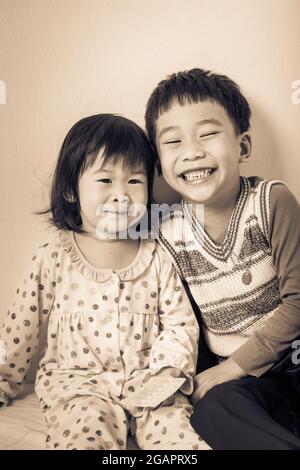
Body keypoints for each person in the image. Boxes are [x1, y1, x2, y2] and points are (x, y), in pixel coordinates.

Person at [0, 113, 208, 450]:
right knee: (86, 431)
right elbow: (19, 329)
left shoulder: (157, 256)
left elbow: (180, 325)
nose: (122, 195)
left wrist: (169, 370)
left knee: (180, 439)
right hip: (79, 387)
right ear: (70, 190)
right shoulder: (54, 257)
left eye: (135, 181)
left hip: (150, 384)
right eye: (105, 181)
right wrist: (3, 380)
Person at [145, 68, 300, 449]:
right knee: (211, 410)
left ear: (243, 146)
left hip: (292, 359)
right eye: (173, 141)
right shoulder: (168, 232)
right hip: (243, 385)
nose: (192, 151)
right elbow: (182, 319)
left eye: (208, 134)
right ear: (159, 162)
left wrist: (237, 364)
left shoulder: (270, 202)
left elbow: (298, 300)